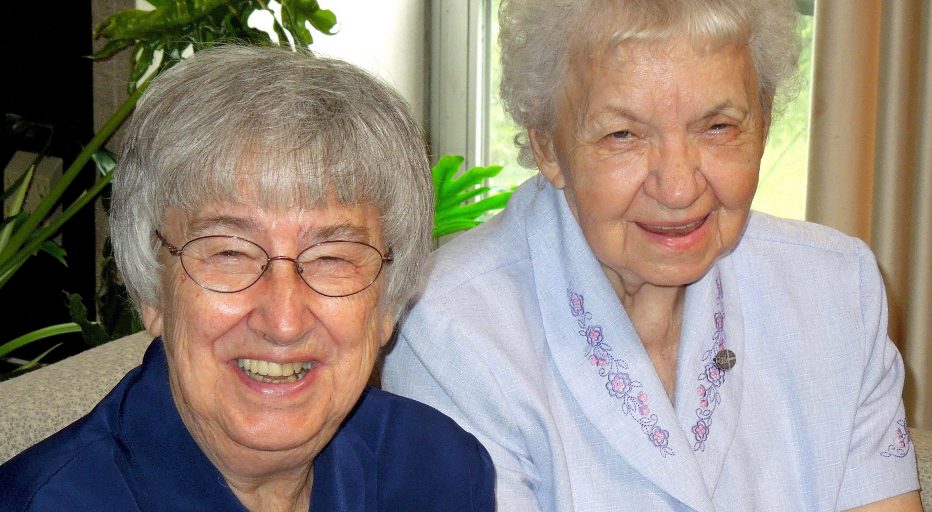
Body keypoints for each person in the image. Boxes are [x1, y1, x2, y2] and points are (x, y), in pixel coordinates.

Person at [382, 1, 921, 510]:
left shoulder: (835, 291)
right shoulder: (453, 331)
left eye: (718, 127)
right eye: (624, 135)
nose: (679, 187)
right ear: (547, 144)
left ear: (765, 121)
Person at [0, 45, 494, 511]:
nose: (283, 320)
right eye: (229, 253)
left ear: (387, 304)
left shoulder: (438, 471)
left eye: (333, 258)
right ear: (153, 288)